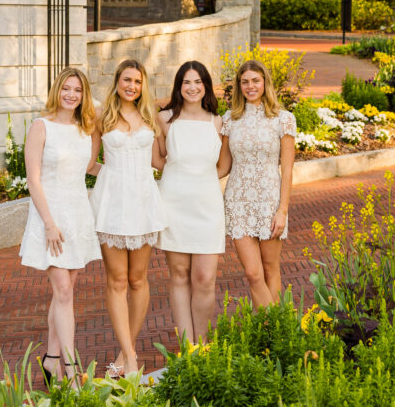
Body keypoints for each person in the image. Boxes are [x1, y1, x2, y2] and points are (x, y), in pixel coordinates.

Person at [19, 67, 102, 385]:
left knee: (64, 293)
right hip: (50, 218)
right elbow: (33, 179)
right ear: (58, 90)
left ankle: (52, 359)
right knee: (64, 290)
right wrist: (49, 224)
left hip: (78, 215)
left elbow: (91, 167)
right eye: (67, 88)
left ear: (84, 95)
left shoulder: (87, 128)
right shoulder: (42, 127)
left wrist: (127, 175)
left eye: (78, 90)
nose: (71, 95)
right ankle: (70, 370)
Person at [89, 58, 167, 376]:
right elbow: (90, 162)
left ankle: (126, 353)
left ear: (142, 85)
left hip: (144, 204)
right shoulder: (101, 116)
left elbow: (161, 161)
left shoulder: (151, 117)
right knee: (117, 280)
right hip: (112, 204)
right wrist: (112, 176)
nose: (131, 86)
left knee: (138, 279)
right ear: (117, 82)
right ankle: (132, 360)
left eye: (137, 81)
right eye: (126, 80)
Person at [218, 59, 296, 307]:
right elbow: (223, 166)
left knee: (271, 269)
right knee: (253, 274)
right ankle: (273, 327)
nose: (250, 86)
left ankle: (269, 335)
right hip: (238, 201)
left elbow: (288, 169)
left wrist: (282, 210)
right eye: (245, 82)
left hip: (270, 202)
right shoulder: (230, 119)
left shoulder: (283, 119)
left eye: (255, 81)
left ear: (265, 83)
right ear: (239, 86)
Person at [157, 61, 225, 344]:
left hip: (207, 206)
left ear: (206, 85)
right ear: (178, 87)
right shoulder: (165, 119)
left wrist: (201, 179)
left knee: (205, 279)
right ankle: (188, 347)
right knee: (180, 277)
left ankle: (204, 344)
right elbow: (158, 158)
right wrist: (177, 174)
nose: (193, 87)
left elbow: (223, 166)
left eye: (198, 82)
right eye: (186, 82)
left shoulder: (218, 121)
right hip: (174, 204)